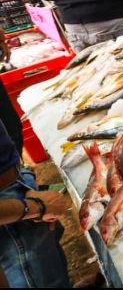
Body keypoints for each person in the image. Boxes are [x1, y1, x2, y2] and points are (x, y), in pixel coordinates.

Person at [0, 118, 71, 288]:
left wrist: (23, 178)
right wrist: (35, 206)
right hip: (10, 216)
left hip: (17, 186)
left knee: (53, 270)